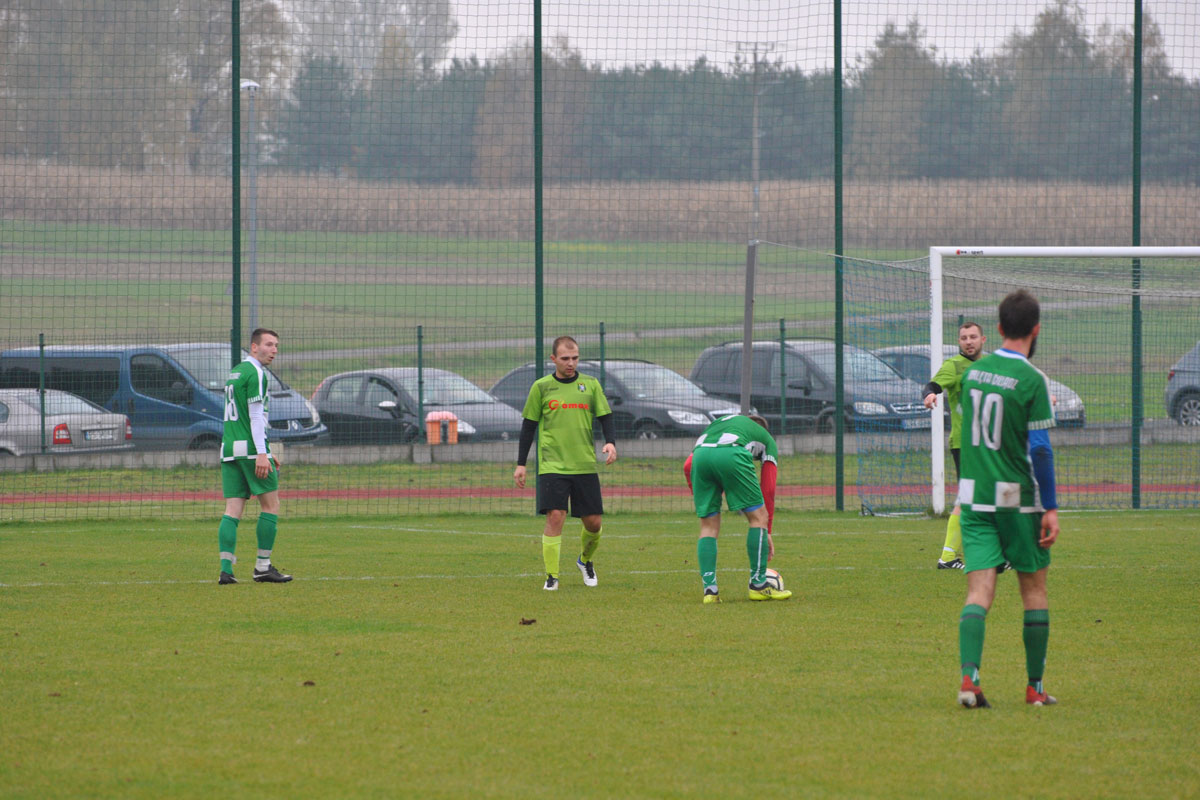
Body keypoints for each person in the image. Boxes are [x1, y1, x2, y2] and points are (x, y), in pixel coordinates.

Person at [955, 290, 1059, 709]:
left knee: (979, 591)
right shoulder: (1032, 379)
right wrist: (1050, 507)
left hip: (973, 497)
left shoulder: (974, 374)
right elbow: (1040, 450)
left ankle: (969, 678)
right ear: (1036, 329)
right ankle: (1035, 687)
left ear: (997, 328)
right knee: (1033, 590)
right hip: (1017, 500)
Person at [513, 336, 617, 591]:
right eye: (565, 358)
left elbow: (605, 416)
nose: (571, 363)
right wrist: (521, 464)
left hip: (584, 464)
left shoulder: (590, 385)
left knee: (594, 523)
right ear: (553, 359)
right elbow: (528, 427)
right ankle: (552, 576)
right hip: (552, 465)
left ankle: (585, 560)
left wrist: (611, 442)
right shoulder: (541, 387)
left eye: (575, 358)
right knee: (555, 516)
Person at [683, 413, 791, 604]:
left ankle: (710, 591)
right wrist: (767, 530)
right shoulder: (767, 439)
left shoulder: (719, 425)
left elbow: (687, 466)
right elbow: (768, 488)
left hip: (700, 457)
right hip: (732, 454)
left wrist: (701, 497)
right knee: (758, 518)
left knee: (708, 526)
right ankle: (758, 585)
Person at [217, 328, 292, 585]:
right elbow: (256, 416)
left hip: (229, 449)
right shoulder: (256, 373)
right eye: (269, 344)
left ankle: (226, 570)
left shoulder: (236, 372)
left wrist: (266, 451)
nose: (274, 350)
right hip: (250, 450)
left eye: (276, 345)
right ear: (254, 347)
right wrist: (262, 452)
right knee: (271, 506)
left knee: (232, 510)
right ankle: (262, 567)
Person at [923, 321, 986, 569]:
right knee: (969, 498)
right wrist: (930, 394)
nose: (968, 341)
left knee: (984, 497)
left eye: (973, 337)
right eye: (964, 338)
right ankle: (948, 557)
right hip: (966, 443)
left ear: (983, 340)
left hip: (990, 444)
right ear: (959, 342)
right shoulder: (954, 365)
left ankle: (982, 554)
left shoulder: (991, 365)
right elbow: (933, 385)